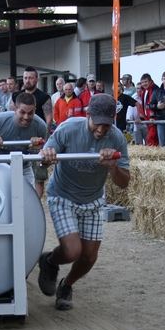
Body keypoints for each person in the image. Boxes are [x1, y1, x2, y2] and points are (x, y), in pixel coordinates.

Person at [36, 94, 130, 310]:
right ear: (88, 115)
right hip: (63, 196)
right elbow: (43, 159)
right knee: (72, 251)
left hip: (93, 199)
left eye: (107, 125)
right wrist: (47, 156)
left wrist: (113, 167)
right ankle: (49, 261)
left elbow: (124, 182)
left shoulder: (117, 138)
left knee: (88, 256)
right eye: (98, 124)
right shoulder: (68, 129)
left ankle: (67, 285)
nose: (101, 130)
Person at [0, 91, 49, 194]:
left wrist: (37, 148)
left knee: (28, 197)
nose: (26, 117)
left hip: (23, 166)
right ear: (15, 109)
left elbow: (43, 157)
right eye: (22, 112)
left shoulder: (40, 126)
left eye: (30, 113)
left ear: (35, 110)